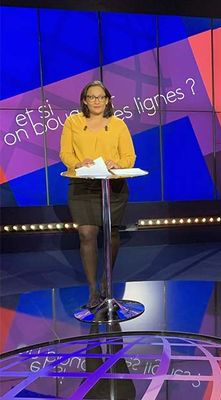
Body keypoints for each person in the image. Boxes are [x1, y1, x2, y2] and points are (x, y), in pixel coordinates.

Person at [60, 81, 136, 309]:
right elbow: (65, 153)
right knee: (87, 234)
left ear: (107, 100)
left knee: (111, 234)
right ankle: (93, 291)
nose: (96, 101)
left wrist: (118, 163)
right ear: (84, 100)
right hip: (82, 186)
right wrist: (77, 163)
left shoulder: (118, 124)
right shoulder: (73, 122)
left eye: (100, 97)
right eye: (91, 97)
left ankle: (107, 283)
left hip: (112, 186)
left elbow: (129, 157)